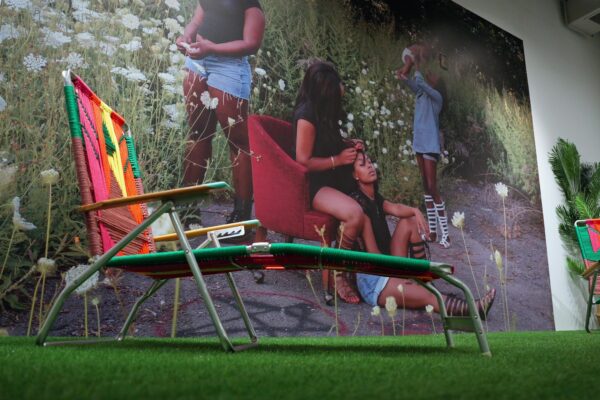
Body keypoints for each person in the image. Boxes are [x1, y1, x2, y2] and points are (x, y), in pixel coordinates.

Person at [350, 151, 495, 317]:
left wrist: (415, 211)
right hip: (374, 279)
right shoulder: (358, 206)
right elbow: (374, 256)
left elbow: (396, 208)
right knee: (429, 297)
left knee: (409, 221)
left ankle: (422, 279)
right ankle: (475, 309)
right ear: (355, 175)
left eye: (369, 161)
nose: (369, 166)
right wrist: (399, 277)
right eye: (362, 164)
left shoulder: (374, 197)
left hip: (386, 266)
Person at [176, 0, 265, 224]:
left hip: (229, 68)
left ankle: (241, 218)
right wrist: (186, 37)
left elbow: (252, 43)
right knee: (198, 133)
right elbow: (197, 20)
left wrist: (212, 48)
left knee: (238, 142)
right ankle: (189, 210)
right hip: (197, 62)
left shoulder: (250, 3)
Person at [294, 61, 364, 304]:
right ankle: (338, 273)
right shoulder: (307, 116)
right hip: (313, 185)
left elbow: (324, 143)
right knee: (354, 213)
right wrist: (338, 159)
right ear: (324, 92)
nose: (341, 90)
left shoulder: (324, 111)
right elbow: (303, 161)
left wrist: (346, 144)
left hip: (331, 178)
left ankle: (369, 267)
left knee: (368, 197)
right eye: (336, 88)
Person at [401, 68, 450, 248]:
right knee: (425, 188)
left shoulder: (437, 97)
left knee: (432, 187)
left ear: (438, 83)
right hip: (419, 143)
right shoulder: (421, 94)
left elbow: (419, 82)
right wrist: (405, 73)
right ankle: (433, 232)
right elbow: (409, 82)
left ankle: (446, 234)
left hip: (430, 145)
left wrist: (418, 65)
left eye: (434, 74)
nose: (431, 73)